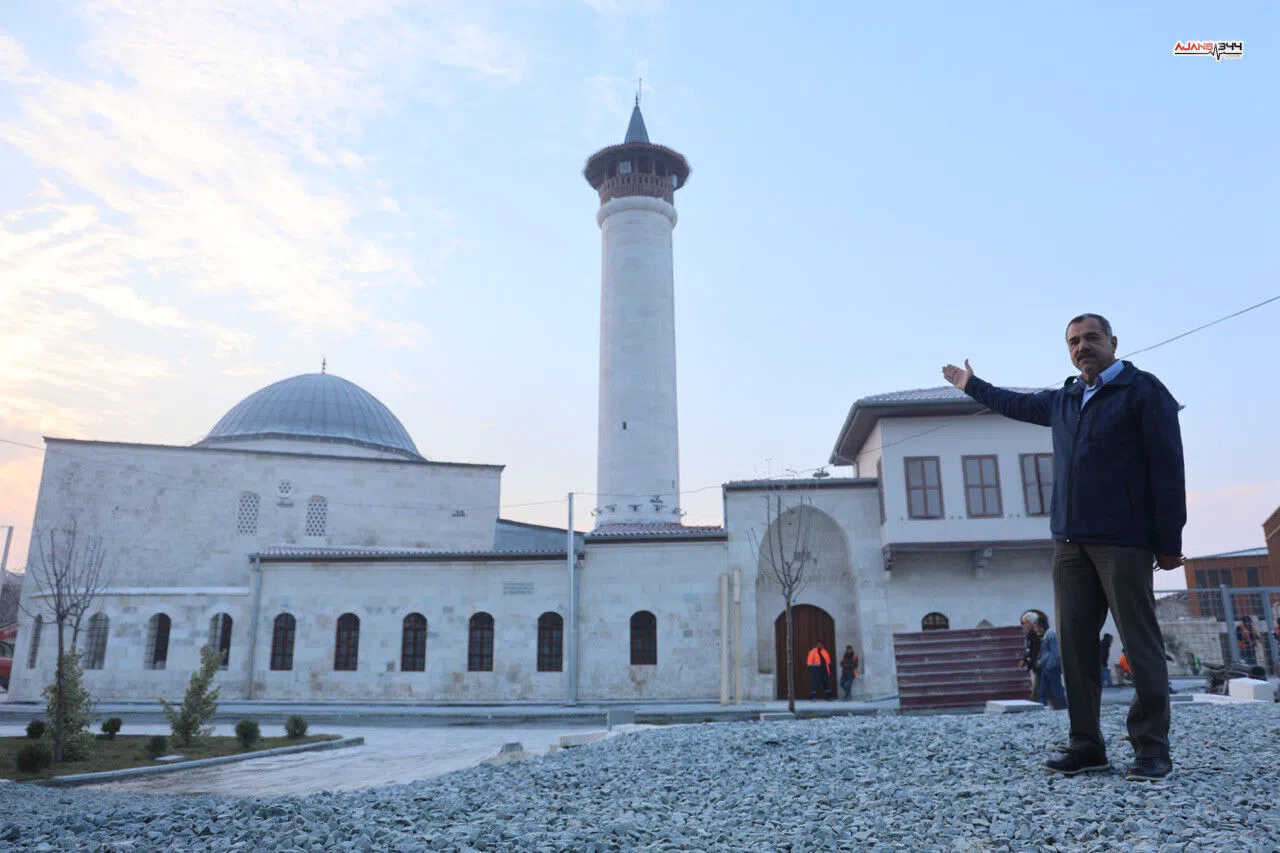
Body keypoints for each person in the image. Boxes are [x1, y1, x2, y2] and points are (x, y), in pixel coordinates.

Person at [943, 313, 1186, 782]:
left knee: (1141, 643)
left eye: (1092, 338)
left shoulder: (1143, 391)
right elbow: (1013, 403)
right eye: (1074, 341)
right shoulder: (1066, 399)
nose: (1082, 346)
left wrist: (1169, 540)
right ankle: (1087, 746)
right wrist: (972, 384)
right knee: (1074, 648)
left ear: (1113, 342)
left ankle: (1152, 748)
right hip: (1069, 544)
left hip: (1125, 541)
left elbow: (1168, 467)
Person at [1036, 616, 1067, 710]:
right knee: (1042, 691)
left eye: (1036, 627)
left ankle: (1064, 708)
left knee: (1057, 689)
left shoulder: (1051, 635)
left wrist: (1049, 665)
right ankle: (1044, 708)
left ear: (1041, 627)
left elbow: (1056, 653)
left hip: (1052, 668)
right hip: (1046, 668)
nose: (1035, 629)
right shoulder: (1045, 636)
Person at [1020, 611, 1044, 702]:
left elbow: (1038, 649)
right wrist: (1024, 659)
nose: (1024, 625)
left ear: (1031, 622)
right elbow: (1029, 649)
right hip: (1036, 664)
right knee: (1047, 686)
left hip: (1039, 664)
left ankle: (1034, 702)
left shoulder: (1037, 632)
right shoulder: (1030, 633)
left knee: (1038, 687)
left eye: (1025, 622)